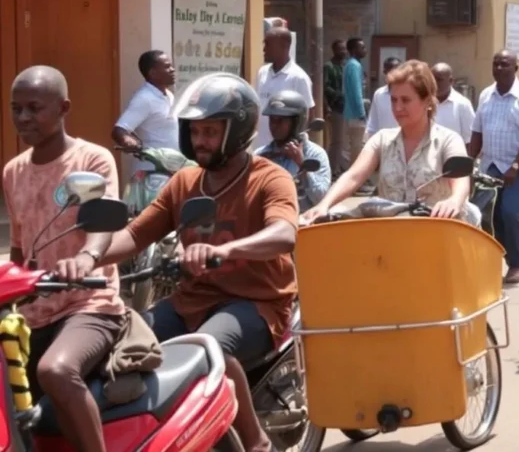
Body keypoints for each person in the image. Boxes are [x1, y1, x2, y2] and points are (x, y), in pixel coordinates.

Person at [71, 73, 298, 452]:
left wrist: (226, 250)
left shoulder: (269, 178)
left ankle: (257, 443)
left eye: (210, 132)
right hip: (191, 300)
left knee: (209, 350)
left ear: (237, 131)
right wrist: (85, 257)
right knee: (125, 341)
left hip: (256, 303)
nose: (200, 141)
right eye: (195, 131)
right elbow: (134, 236)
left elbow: (284, 234)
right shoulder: (184, 181)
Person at [6, 66, 125, 452]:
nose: (23, 118)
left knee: (55, 371)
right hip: (32, 315)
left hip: (89, 306)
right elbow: (21, 250)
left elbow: (103, 224)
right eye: (16, 109)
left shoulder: (92, 160)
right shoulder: (13, 171)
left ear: (63, 108)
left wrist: (86, 258)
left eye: (34, 108)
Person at [302, 60, 475, 227]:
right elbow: (353, 176)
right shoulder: (382, 139)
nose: (397, 108)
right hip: (390, 236)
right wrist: (324, 205)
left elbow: (460, 181)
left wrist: (454, 200)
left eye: (405, 100)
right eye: (393, 100)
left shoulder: (448, 140)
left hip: (438, 235)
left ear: (427, 102)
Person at [468, 51, 519, 284]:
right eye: (496, 64)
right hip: (490, 165)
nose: (499, 68)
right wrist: (468, 163)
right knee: (487, 216)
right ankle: (491, 262)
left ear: (515, 68)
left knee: (510, 214)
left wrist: (516, 164)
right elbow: (477, 132)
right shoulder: (486, 95)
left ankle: (517, 264)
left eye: (505, 65)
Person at [256, 89, 332, 212]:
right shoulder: (261, 155)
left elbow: (321, 198)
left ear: (297, 122)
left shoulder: (315, 154)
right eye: (272, 120)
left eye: (280, 120)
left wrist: (302, 164)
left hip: (303, 220)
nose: (274, 125)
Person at [112, 50, 178, 171]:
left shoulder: (169, 95)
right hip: (152, 171)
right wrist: (128, 141)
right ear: (153, 73)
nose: (172, 70)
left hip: (171, 169)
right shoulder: (144, 99)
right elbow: (119, 130)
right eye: (167, 67)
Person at [255, 28, 315, 150]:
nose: (264, 49)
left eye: (268, 44)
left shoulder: (298, 77)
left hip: (284, 151)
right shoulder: (262, 73)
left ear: (284, 46)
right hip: (261, 147)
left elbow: (308, 115)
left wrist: (292, 145)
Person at [340, 37, 368, 171]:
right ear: (354, 50)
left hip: (349, 112)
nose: (365, 50)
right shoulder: (355, 66)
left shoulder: (349, 65)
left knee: (351, 148)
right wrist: (362, 113)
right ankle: (355, 176)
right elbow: (357, 92)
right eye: (362, 47)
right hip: (356, 114)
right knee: (357, 148)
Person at [432, 62, 476, 143]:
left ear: (451, 81)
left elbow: (469, 139)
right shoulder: (425, 103)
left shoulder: (462, 104)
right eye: (432, 79)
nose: (435, 83)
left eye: (439, 80)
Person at [324, 39, 348, 178]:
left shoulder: (344, 66)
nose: (343, 52)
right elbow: (325, 87)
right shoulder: (329, 67)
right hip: (335, 107)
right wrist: (339, 95)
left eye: (344, 49)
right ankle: (331, 170)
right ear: (334, 50)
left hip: (345, 108)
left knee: (342, 142)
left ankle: (338, 168)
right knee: (336, 141)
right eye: (340, 49)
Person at [365, 57, 403, 138]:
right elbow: (373, 122)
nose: (395, 75)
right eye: (391, 71)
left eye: (398, 71)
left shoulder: (408, 94)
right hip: (383, 141)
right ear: (385, 72)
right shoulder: (379, 94)